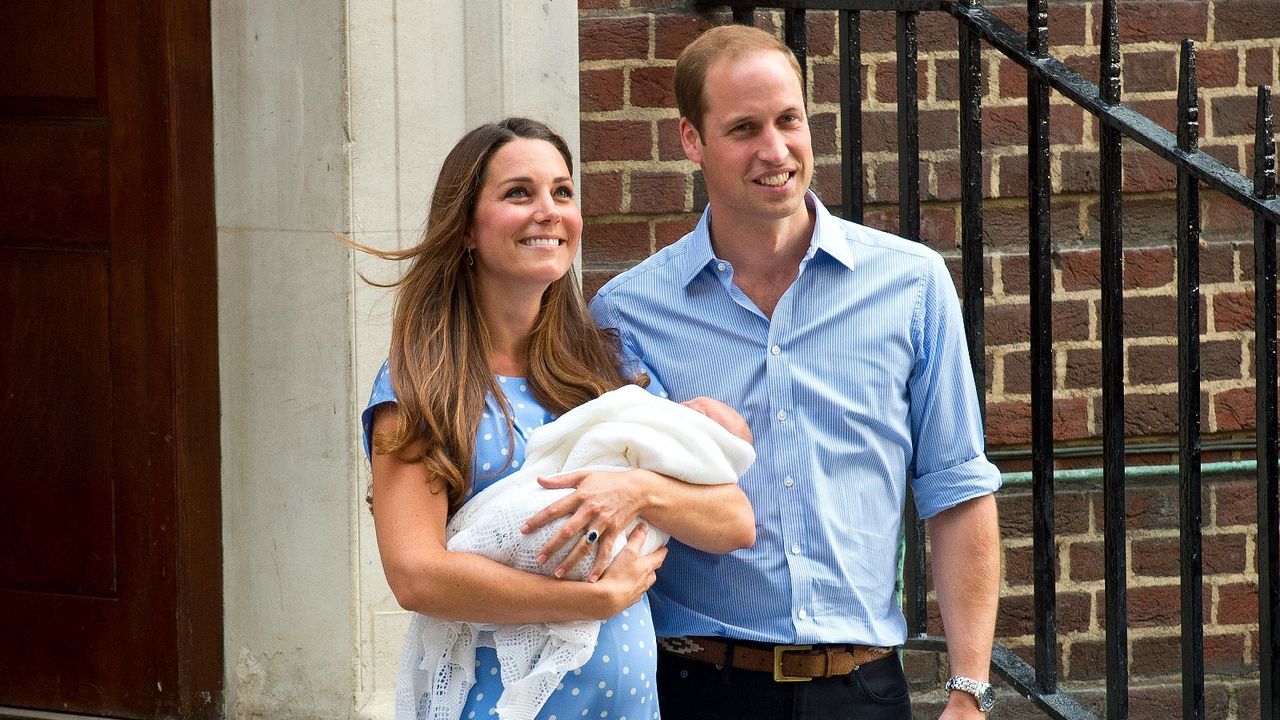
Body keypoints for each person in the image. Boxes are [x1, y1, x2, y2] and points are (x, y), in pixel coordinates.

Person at [589, 25, 1002, 720]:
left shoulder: (912, 285)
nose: (775, 150)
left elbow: (956, 489)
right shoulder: (628, 313)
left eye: (788, 120)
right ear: (692, 141)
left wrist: (969, 690)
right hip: (697, 689)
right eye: (744, 128)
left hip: (861, 690)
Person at [358, 117, 755, 720]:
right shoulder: (421, 383)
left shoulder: (611, 365)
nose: (548, 210)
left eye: (562, 192)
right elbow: (416, 575)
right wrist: (589, 602)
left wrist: (638, 489)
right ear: (466, 225)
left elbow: (732, 519)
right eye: (519, 192)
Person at [420, 386, 756, 720]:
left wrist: (639, 489)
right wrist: (596, 600)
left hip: (629, 700)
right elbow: (418, 580)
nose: (690, 408)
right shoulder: (427, 387)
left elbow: (739, 522)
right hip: (499, 687)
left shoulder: (597, 356)